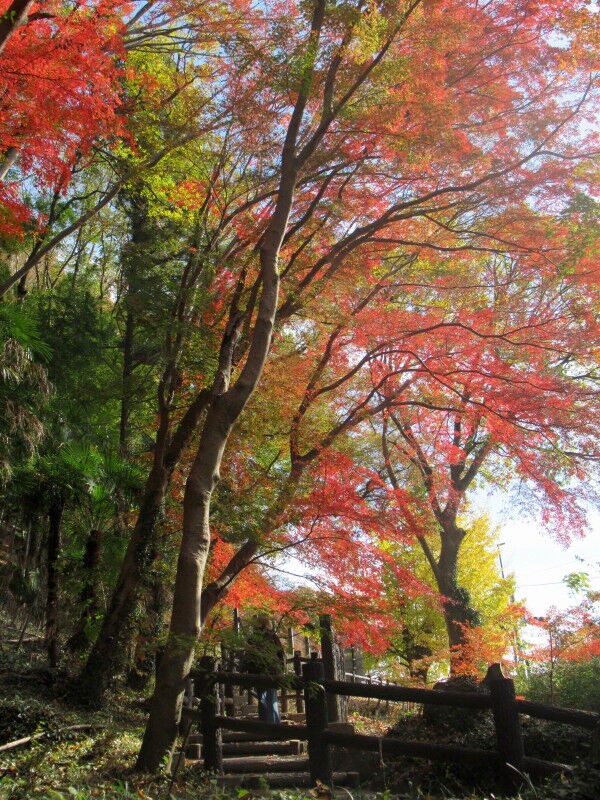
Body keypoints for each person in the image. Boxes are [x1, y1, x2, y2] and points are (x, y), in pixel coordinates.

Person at [242, 614, 285, 724]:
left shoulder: (253, 638)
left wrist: (245, 670)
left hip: (260, 670)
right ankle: (272, 724)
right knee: (270, 698)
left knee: (264, 698)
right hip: (271, 670)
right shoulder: (272, 636)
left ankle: (268, 725)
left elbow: (249, 657)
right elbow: (281, 654)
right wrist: (281, 669)